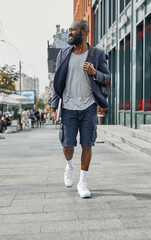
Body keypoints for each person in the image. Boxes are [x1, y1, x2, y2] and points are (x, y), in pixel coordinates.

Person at [51, 20, 111, 198]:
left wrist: (95, 72)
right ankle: (69, 166)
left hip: (89, 106)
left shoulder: (97, 55)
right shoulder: (63, 53)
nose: (69, 33)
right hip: (68, 106)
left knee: (87, 144)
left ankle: (82, 182)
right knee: (67, 144)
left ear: (84, 32)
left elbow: (107, 78)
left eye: (73, 31)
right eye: (69, 30)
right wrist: (54, 107)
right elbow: (57, 82)